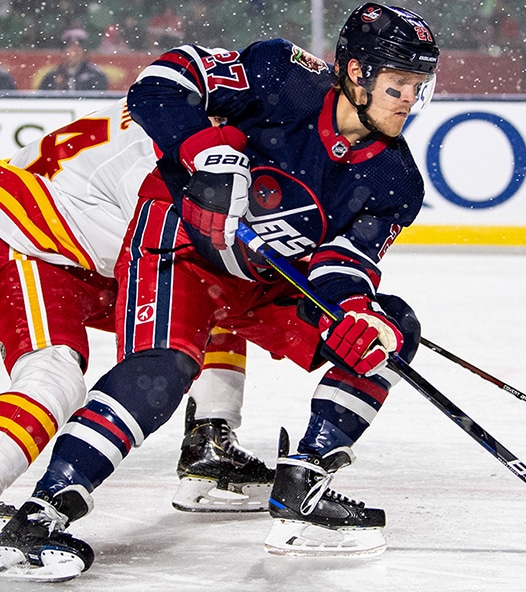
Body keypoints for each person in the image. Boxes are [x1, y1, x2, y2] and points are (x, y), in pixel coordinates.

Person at [0, 1, 438, 578]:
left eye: (418, 86)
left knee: (387, 328)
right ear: (356, 73)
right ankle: (44, 510)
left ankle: (296, 476)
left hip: (235, 269)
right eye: (398, 84)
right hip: (95, 235)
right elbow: (163, 84)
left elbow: (344, 262)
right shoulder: (282, 79)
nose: (409, 100)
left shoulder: (396, 179)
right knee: (138, 366)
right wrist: (202, 153)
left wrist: (352, 310)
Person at [0, 98, 274, 522]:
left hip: (78, 250)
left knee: (210, 292)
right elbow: (159, 249)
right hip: (27, 240)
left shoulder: (176, 119)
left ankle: (210, 439)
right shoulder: (157, 160)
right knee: (53, 378)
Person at [38, 28, 109, 91]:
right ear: (64, 52)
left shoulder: (96, 75)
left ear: (85, 52)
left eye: (79, 48)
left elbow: (100, 100)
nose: (75, 52)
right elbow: (43, 100)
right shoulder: (52, 76)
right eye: (71, 48)